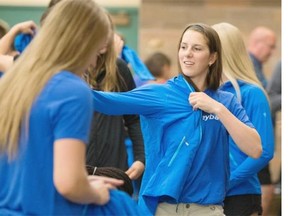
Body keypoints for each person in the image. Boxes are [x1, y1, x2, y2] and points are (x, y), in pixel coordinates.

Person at [91, 23, 262, 215]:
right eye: (184, 47)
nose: (187, 53)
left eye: (196, 49)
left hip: (208, 209)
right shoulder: (160, 93)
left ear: (212, 57)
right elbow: (103, 101)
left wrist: (218, 109)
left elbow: (255, 149)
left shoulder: (225, 101)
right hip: (164, 208)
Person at [0, 0, 141, 215]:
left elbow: (34, 166)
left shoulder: (15, 81)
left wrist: (82, 180)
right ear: (83, 42)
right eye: (98, 45)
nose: (96, 58)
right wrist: (96, 193)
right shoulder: (72, 90)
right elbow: (68, 184)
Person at [212, 22, 275, 216]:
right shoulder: (205, 93)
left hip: (239, 196)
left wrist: (227, 182)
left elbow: (263, 151)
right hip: (205, 196)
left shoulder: (252, 93)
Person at [84, 21, 145, 191]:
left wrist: (141, 157)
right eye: (99, 32)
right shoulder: (71, 72)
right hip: (80, 170)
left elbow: (134, 118)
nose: (105, 38)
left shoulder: (119, 69)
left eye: (108, 32)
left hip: (115, 169)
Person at [248, 26, 277, 215]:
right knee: (265, 191)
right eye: (271, 46)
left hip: (259, 138)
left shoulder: (256, 67)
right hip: (255, 139)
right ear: (258, 44)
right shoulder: (250, 67)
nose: (272, 52)